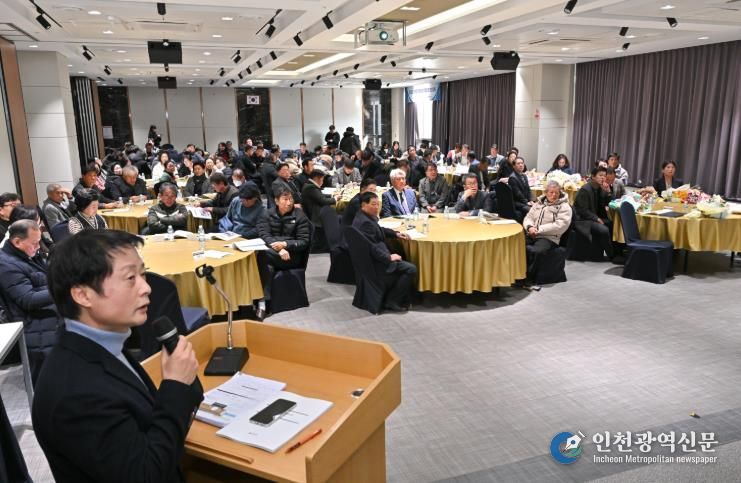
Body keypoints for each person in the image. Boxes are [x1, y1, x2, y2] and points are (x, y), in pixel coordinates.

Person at [32, 229, 202, 482]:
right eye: (130, 278)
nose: (146, 288)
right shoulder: (76, 394)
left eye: (143, 274)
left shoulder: (106, 343)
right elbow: (145, 474)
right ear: (83, 295)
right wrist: (175, 386)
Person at [0, 220, 61, 383]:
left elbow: (44, 280)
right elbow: (27, 299)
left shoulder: (26, 255)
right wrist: (62, 288)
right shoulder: (6, 265)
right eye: (34, 243)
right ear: (17, 242)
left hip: (43, 309)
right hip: (30, 321)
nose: (38, 246)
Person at [352, 191, 416, 312]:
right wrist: (388, 257)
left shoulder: (363, 217)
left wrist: (396, 234)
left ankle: (404, 296)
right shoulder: (365, 223)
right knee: (411, 268)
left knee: (401, 254)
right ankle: (392, 300)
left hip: (373, 258)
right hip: (377, 263)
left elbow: (379, 230)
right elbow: (371, 247)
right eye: (373, 204)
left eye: (378, 204)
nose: (377, 207)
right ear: (363, 205)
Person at [255, 186, 311, 319]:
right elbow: (264, 234)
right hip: (275, 254)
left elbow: (304, 241)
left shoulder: (300, 216)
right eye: (285, 199)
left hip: (292, 256)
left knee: (262, 255)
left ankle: (260, 302)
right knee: (266, 264)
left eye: (291, 199)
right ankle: (265, 303)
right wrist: (279, 249)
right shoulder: (267, 214)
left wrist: (285, 245)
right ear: (276, 201)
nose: (289, 202)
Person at [522, 181, 572, 282]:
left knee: (535, 251)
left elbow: (560, 226)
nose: (554, 195)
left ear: (560, 193)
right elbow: (528, 217)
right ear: (545, 192)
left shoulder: (565, 207)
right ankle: (516, 274)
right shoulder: (538, 203)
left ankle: (529, 278)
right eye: (551, 192)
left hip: (549, 237)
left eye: (556, 193)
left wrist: (539, 230)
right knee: (516, 246)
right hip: (532, 233)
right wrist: (530, 227)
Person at [574, 166, 613, 259]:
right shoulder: (585, 190)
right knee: (604, 230)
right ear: (593, 176)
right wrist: (596, 218)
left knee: (612, 223)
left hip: (593, 217)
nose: (603, 178)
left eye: (604, 176)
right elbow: (582, 210)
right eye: (600, 175)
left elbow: (607, 204)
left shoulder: (600, 188)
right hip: (583, 220)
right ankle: (611, 255)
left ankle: (618, 251)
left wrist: (608, 192)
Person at [508, 156, 535, 221]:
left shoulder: (524, 175)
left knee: (539, 207)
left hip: (524, 201)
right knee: (532, 211)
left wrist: (531, 200)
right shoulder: (512, 178)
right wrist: (527, 202)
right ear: (514, 166)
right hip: (517, 202)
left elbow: (528, 190)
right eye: (518, 163)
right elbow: (518, 194)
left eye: (522, 163)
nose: (521, 165)